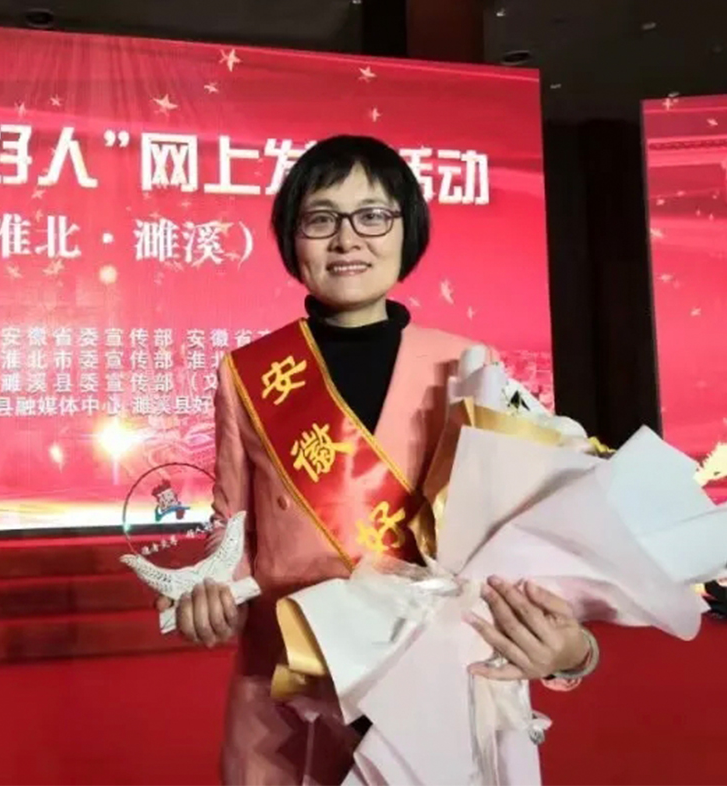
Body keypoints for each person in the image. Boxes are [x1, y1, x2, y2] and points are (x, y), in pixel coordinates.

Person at [158, 136, 597, 785]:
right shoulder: (249, 374)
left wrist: (570, 650)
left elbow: (516, 536)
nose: (347, 239)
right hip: (292, 694)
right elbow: (232, 538)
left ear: (406, 228)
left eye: (372, 215)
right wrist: (211, 596)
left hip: (437, 686)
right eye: (321, 218)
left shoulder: (469, 366)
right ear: (292, 237)